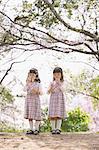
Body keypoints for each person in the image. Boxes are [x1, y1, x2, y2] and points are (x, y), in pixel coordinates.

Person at [48, 67, 66, 134]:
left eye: (58, 74)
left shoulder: (63, 82)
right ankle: (53, 129)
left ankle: (58, 129)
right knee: (53, 114)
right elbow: (48, 91)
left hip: (60, 99)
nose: (57, 75)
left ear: (61, 75)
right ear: (53, 75)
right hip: (53, 99)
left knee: (59, 114)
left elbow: (63, 90)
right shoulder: (51, 82)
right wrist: (51, 89)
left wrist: (59, 84)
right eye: (55, 74)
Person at [24, 68, 42, 135]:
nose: (31, 76)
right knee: (30, 115)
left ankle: (36, 129)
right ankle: (31, 129)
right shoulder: (27, 83)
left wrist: (37, 91)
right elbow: (24, 89)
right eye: (30, 75)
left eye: (33, 75)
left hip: (36, 99)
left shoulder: (38, 84)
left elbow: (41, 92)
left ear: (36, 76)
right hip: (29, 99)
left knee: (37, 115)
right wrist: (28, 83)